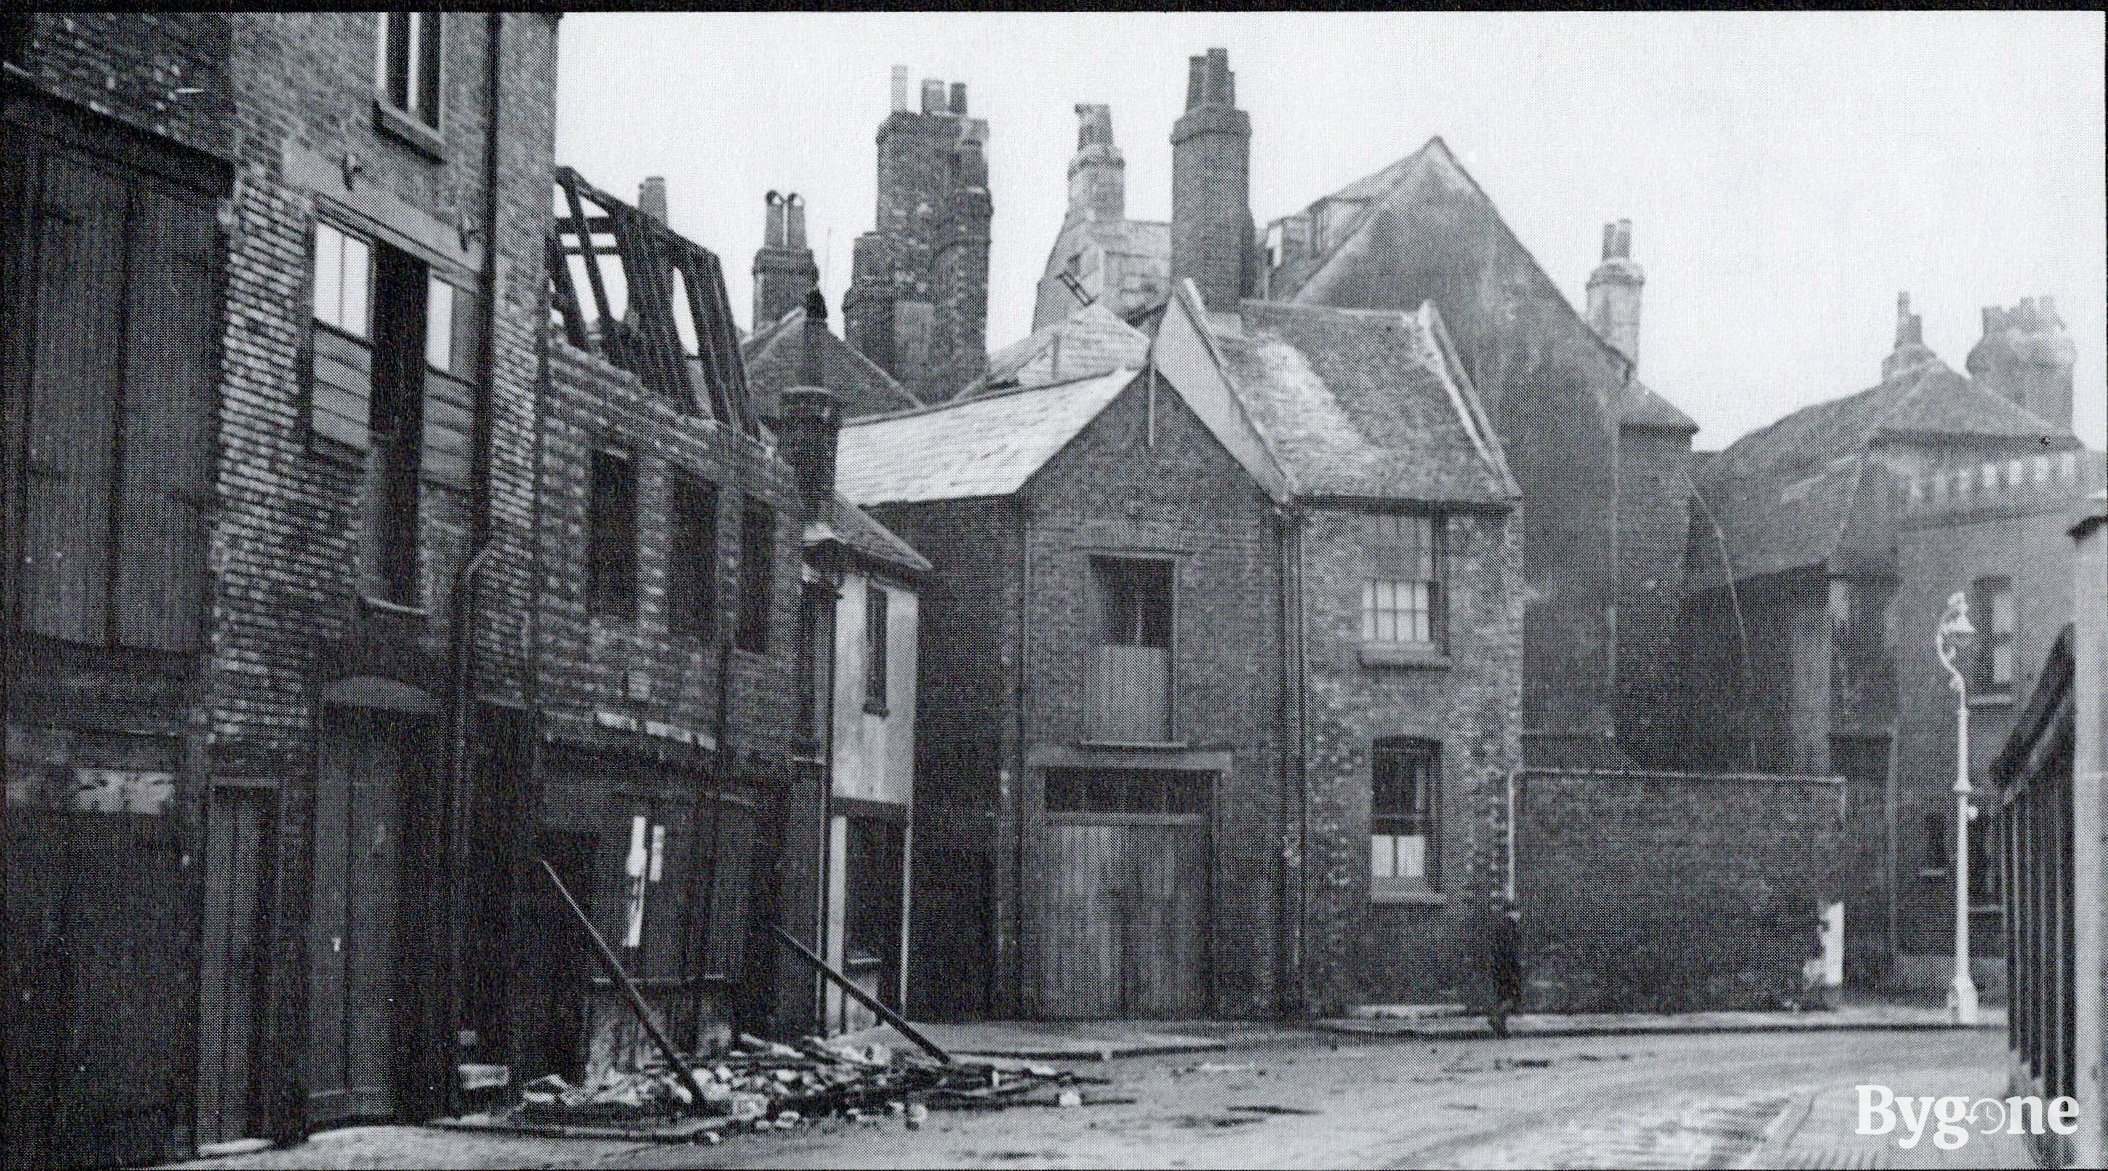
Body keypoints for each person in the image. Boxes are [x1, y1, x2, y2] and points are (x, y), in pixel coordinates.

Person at [1487, 895, 1524, 1038]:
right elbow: (1510, 949)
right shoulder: (1509, 926)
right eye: (1518, 912)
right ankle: (1496, 1017)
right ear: (1513, 912)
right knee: (1513, 997)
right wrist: (1516, 966)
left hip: (1499, 967)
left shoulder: (1502, 924)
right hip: (1507, 968)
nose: (1519, 916)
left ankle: (1501, 1028)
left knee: (1504, 997)